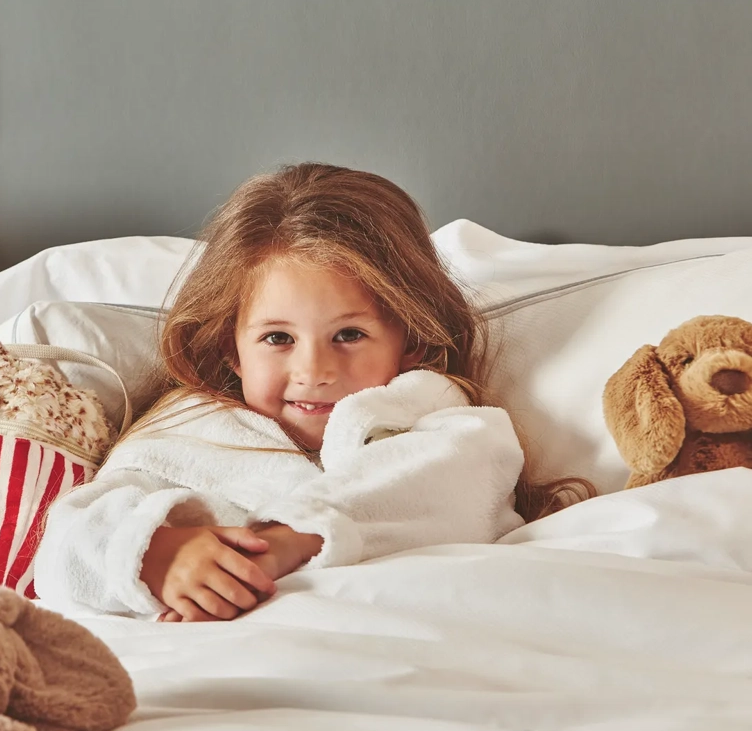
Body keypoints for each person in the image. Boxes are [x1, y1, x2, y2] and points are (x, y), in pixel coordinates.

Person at [34, 163, 589, 621]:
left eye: (349, 335)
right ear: (233, 349)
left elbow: (456, 494)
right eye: (278, 338)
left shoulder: (438, 422)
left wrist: (289, 541)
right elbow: (66, 546)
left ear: (411, 342)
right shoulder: (184, 434)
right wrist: (156, 554)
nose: (315, 369)